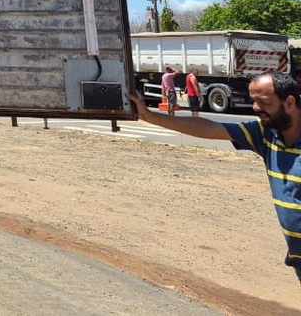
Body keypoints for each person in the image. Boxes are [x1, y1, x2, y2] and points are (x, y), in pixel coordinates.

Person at [129, 72, 301, 283]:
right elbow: (210, 128)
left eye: (264, 102)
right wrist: (150, 116)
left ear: (290, 102)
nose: (256, 108)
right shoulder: (265, 135)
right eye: (253, 101)